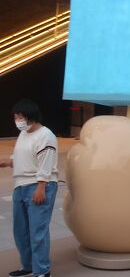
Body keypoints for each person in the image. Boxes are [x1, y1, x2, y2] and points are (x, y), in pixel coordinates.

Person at [0, 99, 58, 277]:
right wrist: (8, 161)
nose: (17, 120)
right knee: (21, 231)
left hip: (39, 185)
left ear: (31, 116)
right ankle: (28, 265)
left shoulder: (46, 135)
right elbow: (24, 156)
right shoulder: (24, 134)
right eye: (16, 117)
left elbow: (45, 164)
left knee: (37, 231)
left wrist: (41, 187)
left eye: (20, 116)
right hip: (20, 186)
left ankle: (42, 270)